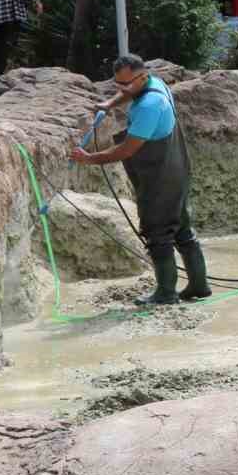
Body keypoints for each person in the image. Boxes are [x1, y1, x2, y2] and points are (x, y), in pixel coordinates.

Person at [71, 54, 210, 306]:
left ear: (142, 76)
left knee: (158, 233)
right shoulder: (153, 83)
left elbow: (126, 150)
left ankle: (166, 293)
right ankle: (199, 285)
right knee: (181, 229)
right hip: (176, 170)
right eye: (118, 84)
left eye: (126, 84)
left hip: (159, 177)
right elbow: (129, 92)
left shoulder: (149, 106)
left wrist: (88, 158)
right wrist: (110, 103)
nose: (122, 89)